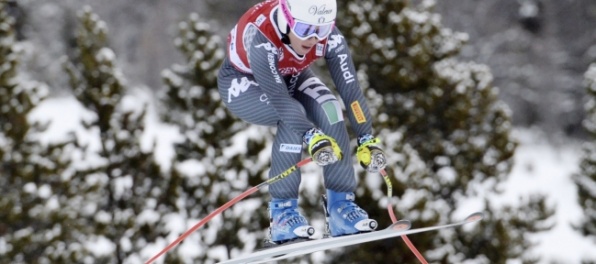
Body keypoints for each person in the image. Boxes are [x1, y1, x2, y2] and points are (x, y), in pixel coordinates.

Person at [217, 0, 387, 245]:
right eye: (306, 30)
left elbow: (351, 91)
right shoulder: (261, 36)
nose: (313, 39)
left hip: (290, 75)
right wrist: (311, 136)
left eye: (322, 30)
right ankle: (282, 214)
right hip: (243, 83)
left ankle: (341, 207)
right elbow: (279, 99)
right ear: (287, 20)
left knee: (329, 107)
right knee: (292, 114)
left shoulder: (328, 37)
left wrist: (366, 138)